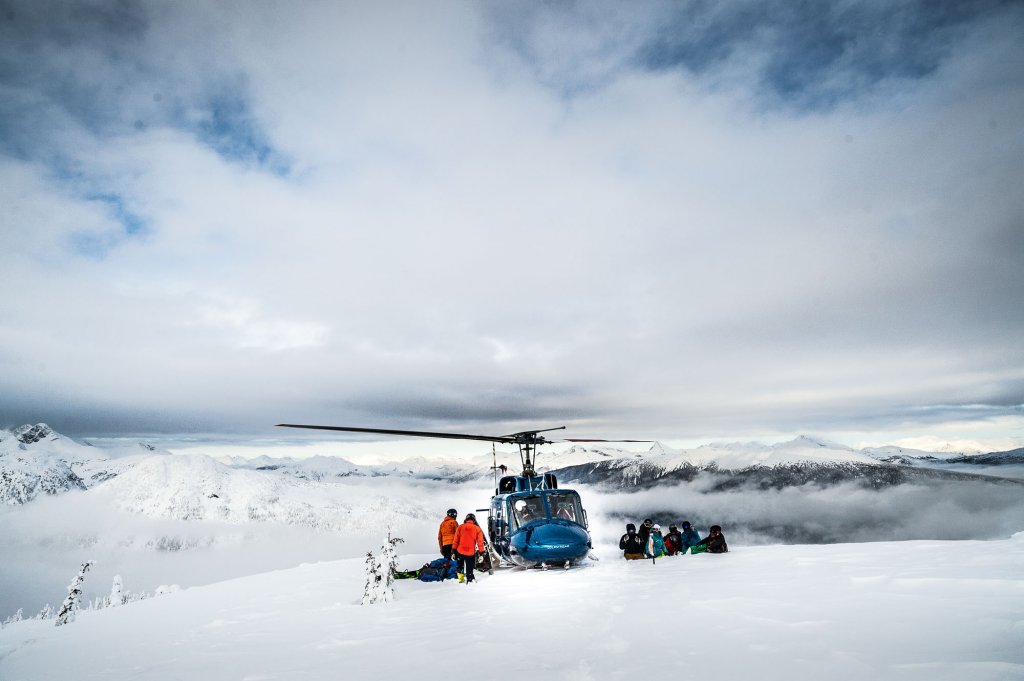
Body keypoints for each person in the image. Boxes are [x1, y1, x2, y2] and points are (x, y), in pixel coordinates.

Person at [451, 512, 486, 583]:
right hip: (470, 553)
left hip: (460, 551)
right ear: (474, 520)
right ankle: (470, 579)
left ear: (466, 519)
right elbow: (480, 543)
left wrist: (453, 551)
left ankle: (461, 578)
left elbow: (455, 540)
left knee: (460, 565)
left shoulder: (460, 527)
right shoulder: (477, 529)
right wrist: (481, 553)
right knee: (469, 566)